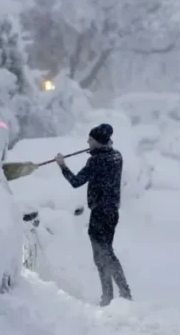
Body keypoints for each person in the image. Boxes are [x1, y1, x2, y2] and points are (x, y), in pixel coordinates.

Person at [55, 123, 132, 306]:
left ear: (97, 142)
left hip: (99, 213)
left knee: (101, 255)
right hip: (112, 212)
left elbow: (76, 181)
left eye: (90, 139)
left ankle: (111, 296)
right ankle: (119, 293)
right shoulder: (116, 157)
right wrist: (94, 152)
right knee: (107, 252)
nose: (87, 142)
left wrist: (62, 165)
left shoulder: (97, 161)